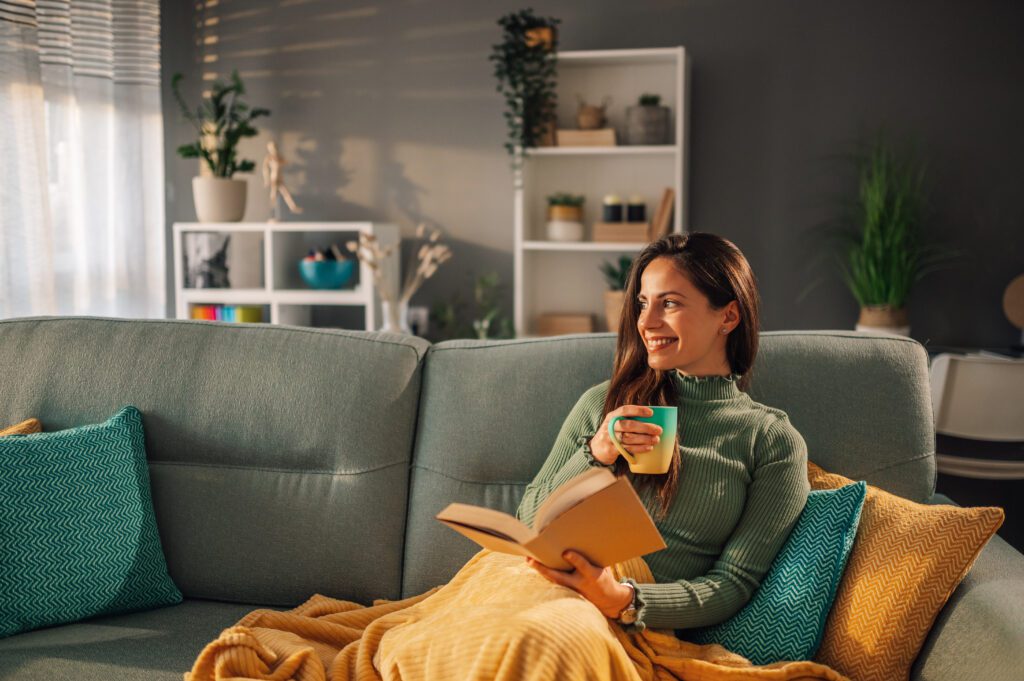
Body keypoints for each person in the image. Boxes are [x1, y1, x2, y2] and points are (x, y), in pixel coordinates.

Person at [517, 231, 810, 636]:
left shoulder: (771, 442)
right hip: (527, 586)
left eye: (669, 303)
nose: (646, 322)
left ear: (728, 316)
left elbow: (735, 583)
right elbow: (528, 522)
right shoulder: (604, 405)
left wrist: (623, 600)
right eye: (642, 303)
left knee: (535, 645)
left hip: (614, 622)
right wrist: (597, 452)